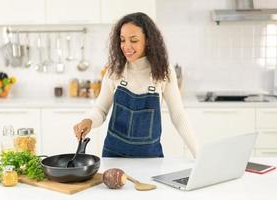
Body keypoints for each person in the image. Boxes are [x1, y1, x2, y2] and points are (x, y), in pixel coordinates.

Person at [74, 12, 198, 158]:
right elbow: (101, 110)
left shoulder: (164, 72)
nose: (126, 46)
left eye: (133, 40)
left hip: (150, 158)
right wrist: (89, 121)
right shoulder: (115, 70)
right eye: (122, 40)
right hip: (113, 157)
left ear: (148, 41)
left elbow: (178, 116)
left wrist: (198, 154)